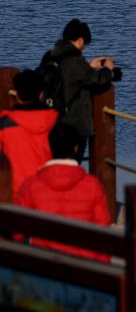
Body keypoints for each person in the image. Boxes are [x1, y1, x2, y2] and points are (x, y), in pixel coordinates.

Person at [14, 123, 111, 262]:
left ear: (49, 148)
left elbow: (17, 231)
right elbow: (103, 233)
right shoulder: (92, 185)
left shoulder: (31, 185)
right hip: (84, 267)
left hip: (44, 265)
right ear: (76, 148)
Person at [43, 19, 116, 162]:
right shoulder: (74, 60)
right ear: (81, 40)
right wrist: (108, 70)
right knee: (71, 165)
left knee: (54, 162)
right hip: (73, 124)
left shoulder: (51, 55)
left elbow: (70, 76)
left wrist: (89, 66)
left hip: (52, 120)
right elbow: (97, 80)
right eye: (85, 44)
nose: (84, 48)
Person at [0, 70, 58, 192]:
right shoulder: (55, 120)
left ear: (17, 94)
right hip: (48, 190)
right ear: (41, 94)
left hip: (14, 192)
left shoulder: (4, 124)